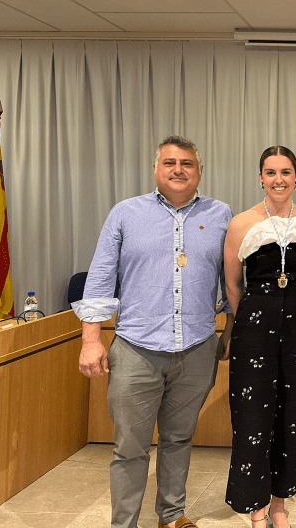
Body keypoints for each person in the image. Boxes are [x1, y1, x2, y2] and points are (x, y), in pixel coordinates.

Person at [74, 135, 232, 528]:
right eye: (170, 163)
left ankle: (171, 516)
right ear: (156, 169)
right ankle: (124, 523)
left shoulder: (220, 215)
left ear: (200, 171)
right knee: (129, 447)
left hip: (197, 348)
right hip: (135, 350)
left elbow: (232, 281)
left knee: (179, 439)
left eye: (187, 164)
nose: (178, 170)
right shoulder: (125, 214)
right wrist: (91, 340)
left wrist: (230, 328)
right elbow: (100, 278)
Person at [221, 146, 296, 528]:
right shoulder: (241, 223)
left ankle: (279, 504)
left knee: (291, 415)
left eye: (285, 172)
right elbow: (232, 284)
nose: (278, 179)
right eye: (270, 172)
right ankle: (256, 506)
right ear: (260, 178)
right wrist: (252, 317)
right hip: (254, 326)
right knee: (252, 416)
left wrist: (295, 310)